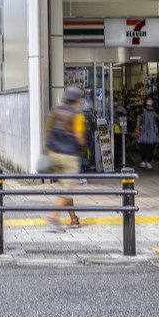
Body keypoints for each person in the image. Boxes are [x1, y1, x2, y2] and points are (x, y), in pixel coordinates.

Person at [44, 86, 87, 228]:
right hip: (69, 156)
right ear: (77, 99)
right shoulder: (77, 115)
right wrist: (82, 148)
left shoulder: (54, 111)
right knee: (66, 189)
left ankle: (73, 219)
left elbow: (49, 131)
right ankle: (53, 216)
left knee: (65, 187)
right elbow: (79, 137)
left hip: (54, 155)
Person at [134, 98, 159, 170]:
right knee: (144, 146)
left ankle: (149, 162)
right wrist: (137, 129)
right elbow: (138, 120)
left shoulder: (156, 110)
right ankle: (143, 160)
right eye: (148, 99)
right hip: (144, 130)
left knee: (152, 147)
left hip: (153, 131)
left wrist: (158, 117)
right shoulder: (142, 110)